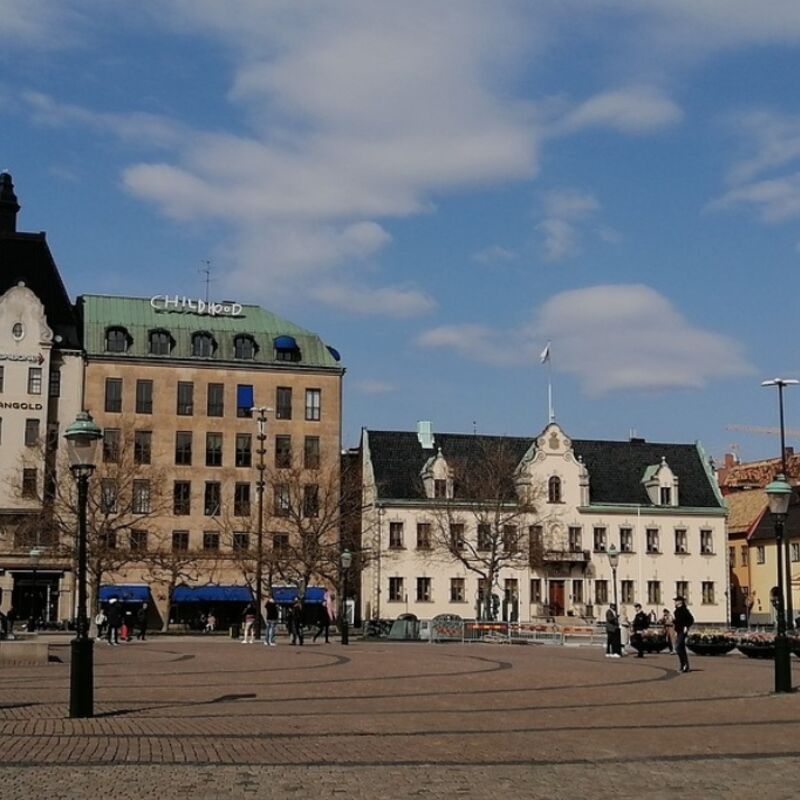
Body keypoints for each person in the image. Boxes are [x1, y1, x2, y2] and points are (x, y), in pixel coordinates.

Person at [673, 595, 694, 673]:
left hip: (683, 631)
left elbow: (691, 619)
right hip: (678, 631)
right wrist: (674, 622)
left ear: (680, 602)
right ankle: (684, 665)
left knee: (678, 647)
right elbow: (678, 622)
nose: (675, 602)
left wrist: (686, 626)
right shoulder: (676, 611)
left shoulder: (684, 610)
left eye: (676, 601)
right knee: (681, 648)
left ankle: (684, 665)